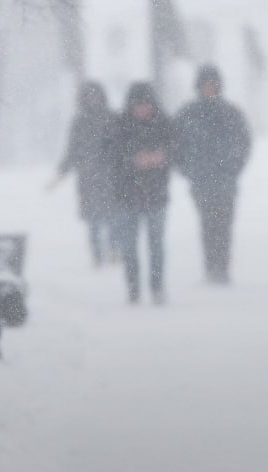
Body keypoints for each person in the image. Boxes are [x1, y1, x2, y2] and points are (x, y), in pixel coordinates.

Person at [173, 65, 251, 285]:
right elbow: (175, 144)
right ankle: (211, 266)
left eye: (212, 84)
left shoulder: (231, 113)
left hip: (225, 179)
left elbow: (244, 143)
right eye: (206, 84)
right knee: (207, 223)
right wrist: (186, 169)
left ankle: (222, 267)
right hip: (201, 180)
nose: (209, 88)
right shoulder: (188, 114)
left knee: (224, 223)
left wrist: (233, 167)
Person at [107, 83, 174, 305]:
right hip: (127, 197)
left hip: (156, 196)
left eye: (147, 105)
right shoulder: (120, 127)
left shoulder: (164, 125)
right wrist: (134, 161)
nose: (143, 109)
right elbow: (111, 158)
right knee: (129, 247)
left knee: (156, 246)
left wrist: (162, 158)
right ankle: (133, 288)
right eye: (139, 105)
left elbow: (177, 151)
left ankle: (156, 287)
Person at [50, 82, 119, 268]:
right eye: (89, 96)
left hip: (110, 178)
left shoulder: (112, 118)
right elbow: (72, 150)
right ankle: (97, 256)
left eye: (96, 95)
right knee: (93, 221)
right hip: (88, 179)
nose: (93, 100)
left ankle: (114, 251)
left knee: (113, 217)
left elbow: (121, 147)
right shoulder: (79, 122)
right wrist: (61, 171)